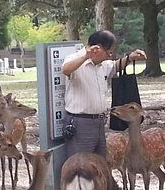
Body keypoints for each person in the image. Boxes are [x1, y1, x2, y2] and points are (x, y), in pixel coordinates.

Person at [61, 30, 146, 159]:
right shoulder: (75, 60)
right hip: (81, 123)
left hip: (99, 122)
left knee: (99, 164)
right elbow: (65, 69)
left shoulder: (103, 65)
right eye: (109, 52)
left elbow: (116, 66)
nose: (109, 56)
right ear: (97, 49)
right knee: (81, 163)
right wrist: (85, 56)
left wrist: (130, 58)